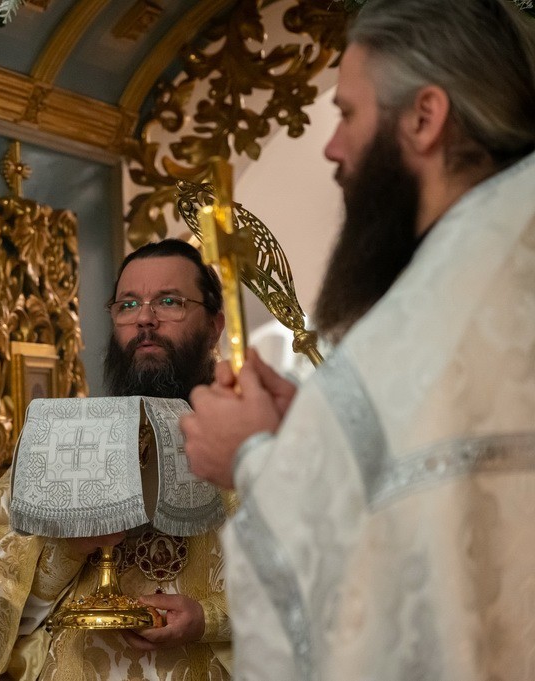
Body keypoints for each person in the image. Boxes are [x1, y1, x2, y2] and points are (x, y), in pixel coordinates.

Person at [181, 1, 535, 679]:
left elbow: (365, 614)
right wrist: (315, 435)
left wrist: (252, 458)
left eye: (347, 114)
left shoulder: (439, 317)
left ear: (425, 117)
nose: (333, 147)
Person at [0, 239, 234, 679]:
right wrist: (68, 549)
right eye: (128, 304)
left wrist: (208, 618)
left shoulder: (252, 441)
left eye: (169, 301)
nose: (145, 318)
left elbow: (317, 578)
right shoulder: (69, 437)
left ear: (215, 324)